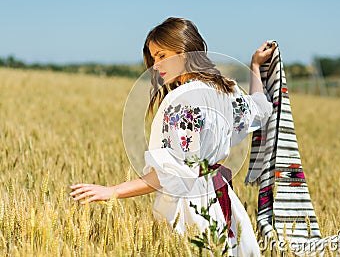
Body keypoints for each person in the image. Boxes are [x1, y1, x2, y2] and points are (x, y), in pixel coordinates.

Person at [70, 17, 275, 256]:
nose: (155, 65)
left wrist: (112, 191)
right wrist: (255, 67)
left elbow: (172, 174)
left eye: (161, 55)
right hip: (223, 203)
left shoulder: (184, 100)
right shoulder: (226, 88)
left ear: (184, 53)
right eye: (153, 57)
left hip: (190, 210)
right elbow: (261, 108)